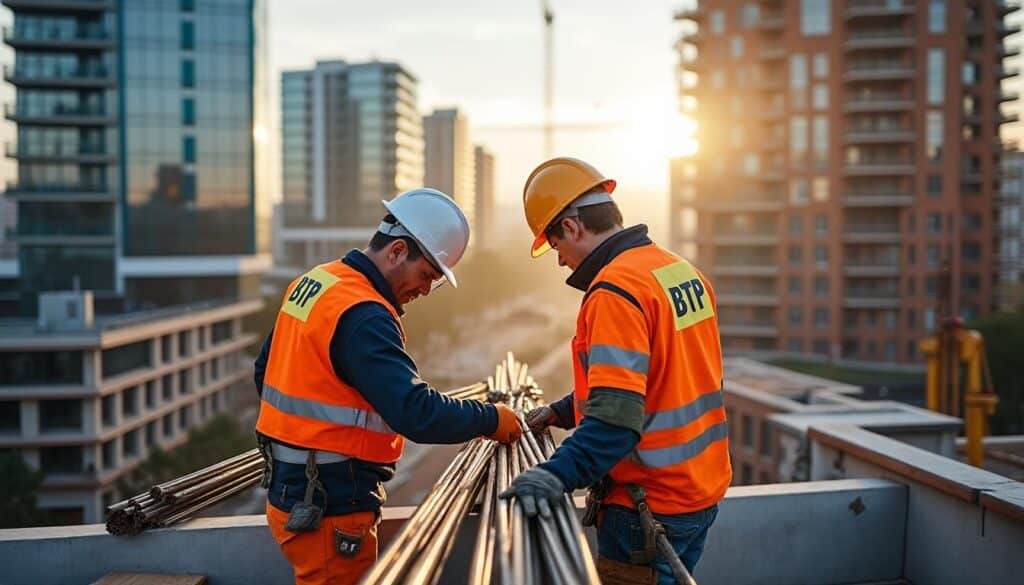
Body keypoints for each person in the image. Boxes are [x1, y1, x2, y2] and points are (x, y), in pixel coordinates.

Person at [253, 188, 522, 585]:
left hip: (291, 494)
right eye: (427, 275)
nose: (426, 290)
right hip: (330, 506)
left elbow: (265, 373)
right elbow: (414, 411)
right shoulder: (365, 315)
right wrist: (490, 418)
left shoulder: (316, 283)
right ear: (397, 251)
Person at [500, 158, 731, 584]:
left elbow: (615, 424)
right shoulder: (680, 272)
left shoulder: (615, 291)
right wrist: (565, 411)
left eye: (555, 247)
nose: (560, 261)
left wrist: (553, 475)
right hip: (699, 495)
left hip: (646, 506)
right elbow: (665, 377)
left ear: (571, 227)